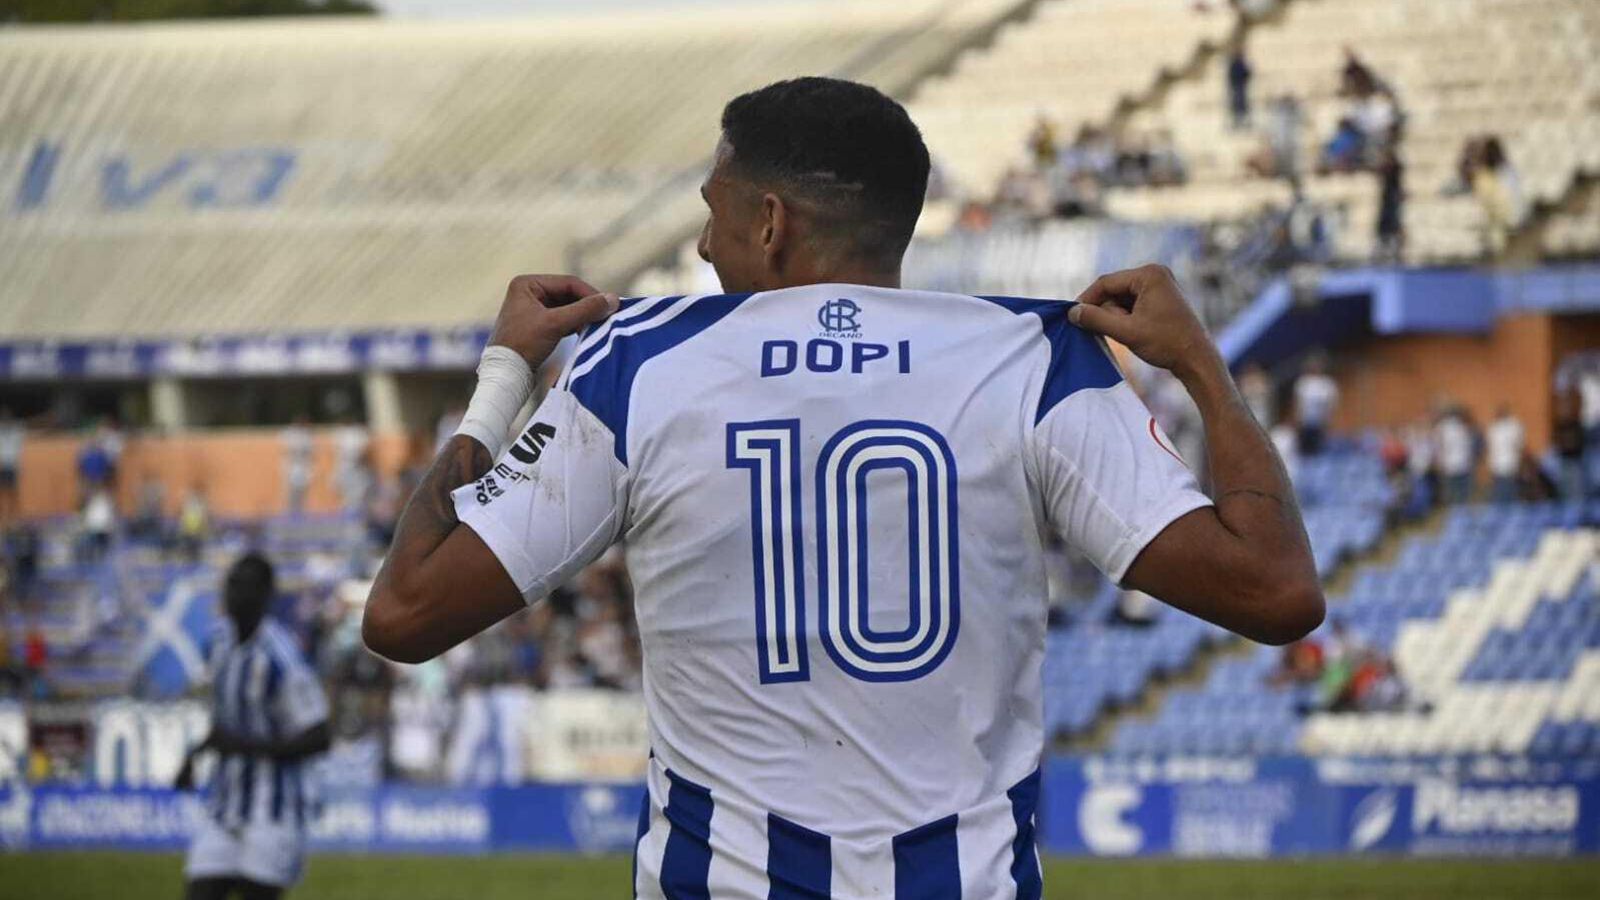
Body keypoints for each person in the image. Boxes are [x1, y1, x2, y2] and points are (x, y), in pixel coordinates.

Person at [360, 77, 1322, 896]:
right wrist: (1200, 362)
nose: (703, 246)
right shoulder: (1032, 359)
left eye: (713, 211)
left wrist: (504, 378)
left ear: (769, 222)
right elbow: (1276, 592)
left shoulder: (638, 365)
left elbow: (405, 613)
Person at [174, 552, 331, 900]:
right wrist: (194, 756)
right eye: (231, 584)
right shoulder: (217, 642)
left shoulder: (281, 657)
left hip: (274, 809)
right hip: (225, 801)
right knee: (200, 889)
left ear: (265, 595)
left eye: (244, 586)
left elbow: (319, 736)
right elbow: (227, 719)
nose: (233, 594)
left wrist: (245, 747)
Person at [1292, 352, 1339, 456]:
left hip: (1321, 423)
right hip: (1305, 423)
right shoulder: (1303, 382)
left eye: (1317, 365)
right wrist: (1297, 422)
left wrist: (1328, 423)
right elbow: (1298, 404)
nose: (1315, 367)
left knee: (1320, 451)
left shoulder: (1328, 384)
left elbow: (1331, 406)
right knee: (1304, 452)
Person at [1486, 405, 1525, 504]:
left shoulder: (1514, 425)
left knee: (1510, 493)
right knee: (1501, 493)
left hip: (1510, 465)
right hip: (1500, 466)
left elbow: (1519, 445)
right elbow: (1492, 448)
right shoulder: (1494, 428)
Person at [281, 417, 313, 517]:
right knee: (291, 493)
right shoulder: (290, 434)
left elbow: (310, 453)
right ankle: (291, 514)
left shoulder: (307, 436)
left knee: (302, 492)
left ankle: (300, 513)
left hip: (303, 467)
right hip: (293, 467)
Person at [0, 407, 23, 526]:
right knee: (2, 493)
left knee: (13, 494)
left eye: (7, 419)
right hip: (2, 466)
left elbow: (33, 423)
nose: (5, 421)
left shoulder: (16, 431)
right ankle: (3, 518)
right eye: (3, 419)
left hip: (13, 466)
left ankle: (13, 517)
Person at [1227, 46, 1252, 130]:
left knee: (1242, 104)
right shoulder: (1234, 64)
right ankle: (1237, 122)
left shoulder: (1241, 63)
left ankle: (1242, 121)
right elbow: (1231, 75)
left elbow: (1247, 73)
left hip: (1241, 86)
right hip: (1236, 86)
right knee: (1237, 104)